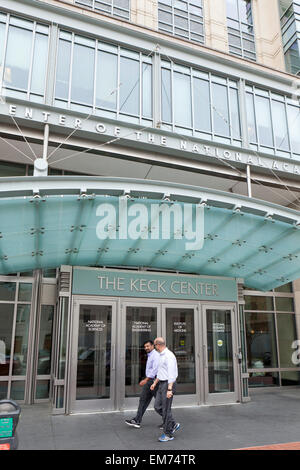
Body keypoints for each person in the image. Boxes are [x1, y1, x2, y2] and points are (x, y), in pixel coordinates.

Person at [150, 337, 180, 442]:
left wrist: (169, 389)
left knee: (166, 410)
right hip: (161, 383)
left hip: (168, 384)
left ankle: (168, 434)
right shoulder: (160, 355)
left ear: (158, 345)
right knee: (157, 406)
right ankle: (173, 423)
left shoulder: (169, 356)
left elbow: (171, 374)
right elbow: (161, 371)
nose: (154, 347)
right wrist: (155, 383)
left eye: (154, 345)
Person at [125, 340, 160, 429]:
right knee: (143, 400)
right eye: (145, 347)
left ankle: (170, 422)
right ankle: (137, 420)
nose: (146, 348)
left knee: (159, 404)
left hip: (154, 382)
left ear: (153, 346)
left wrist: (146, 379)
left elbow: (155, 369)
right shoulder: (150, 355)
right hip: (149, 381)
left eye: (148, 346)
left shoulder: (155, 355)